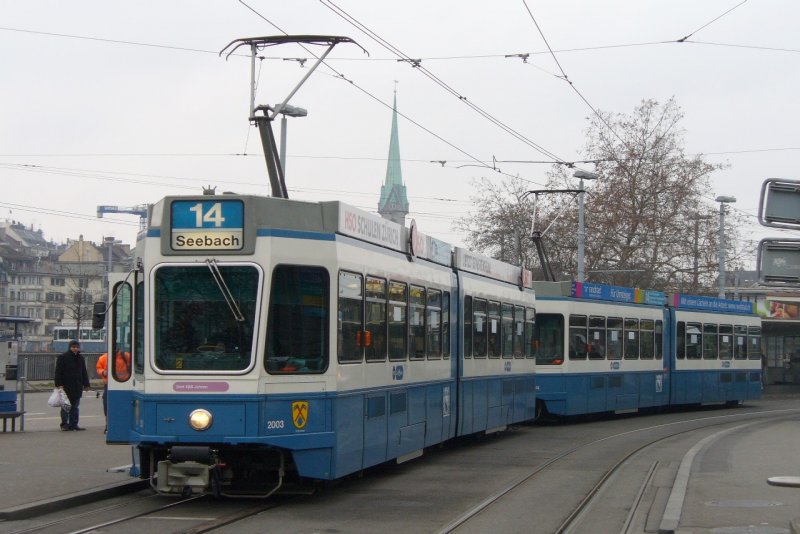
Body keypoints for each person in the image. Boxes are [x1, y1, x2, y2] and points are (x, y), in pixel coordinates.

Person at [54, 340, 90, 431]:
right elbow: (58, 372)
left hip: (77, 386)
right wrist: (59, 384)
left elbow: (84, 372)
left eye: (77, 347)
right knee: (66, 407)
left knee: (75, 407)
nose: (75, 349)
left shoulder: (80, 358)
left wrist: (86, 384)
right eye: (73, 347)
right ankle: (64, 425)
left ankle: (74, 424)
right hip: (66, 386)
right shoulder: (63, 357)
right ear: (70, 347)